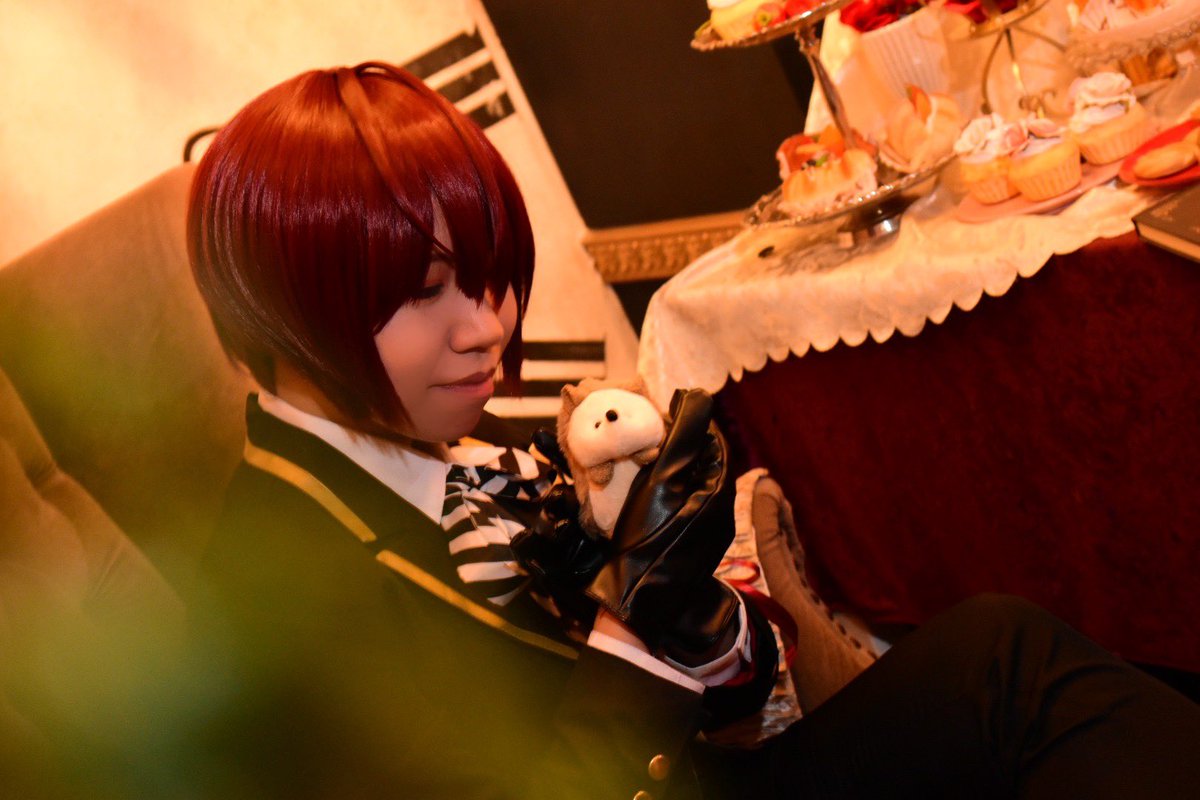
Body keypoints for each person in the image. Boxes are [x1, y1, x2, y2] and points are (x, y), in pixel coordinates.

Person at [185, 61, 1200, 800]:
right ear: (286, 310)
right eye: (424, 291)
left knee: (1002, 649)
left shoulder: (435, 444)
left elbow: (732, 700)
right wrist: (632, 630)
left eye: (489, 274)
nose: (486, 325)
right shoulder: (277, 587)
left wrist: (695, 614)